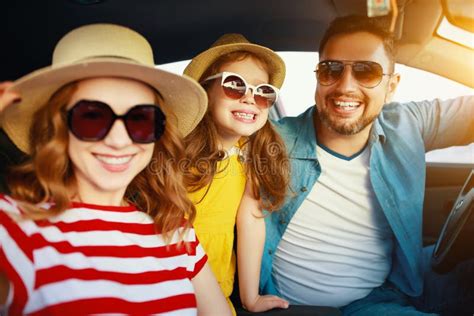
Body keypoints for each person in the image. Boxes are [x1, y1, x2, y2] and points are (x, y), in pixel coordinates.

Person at [0, 23, 231, 315]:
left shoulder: (176, 232)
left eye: (140, 119)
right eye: (92, 117)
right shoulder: (15, 227)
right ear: (57, 128)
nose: (119, 140)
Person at [260, 15, 474, 315]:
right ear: (318, 77)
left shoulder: (406, 124)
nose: (345, 86)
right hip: (326, 307)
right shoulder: (273, 143)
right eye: (331, 69)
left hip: (398, 282)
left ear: (392, 85)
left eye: (366, 72)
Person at [182, 34, 290, 313]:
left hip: (218, 283)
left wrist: (250, 297)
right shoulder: (179, 153)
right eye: (234, 85)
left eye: (263, 91)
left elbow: (251, 222)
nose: (249, 98)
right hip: (168, 278)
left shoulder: (251, 155)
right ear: (205, 90)